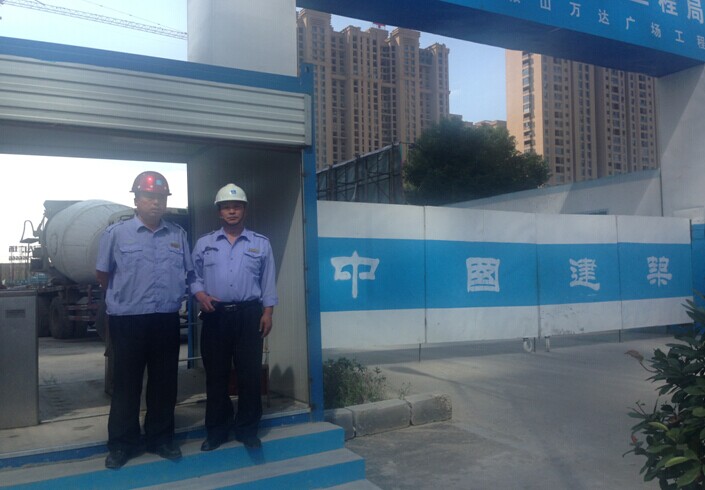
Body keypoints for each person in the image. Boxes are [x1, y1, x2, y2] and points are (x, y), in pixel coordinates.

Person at [96, 171, 193, 469]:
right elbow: (103, 274)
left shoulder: (177, 235)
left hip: (165, 319)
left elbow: (188, 272)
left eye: (161, 197)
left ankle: (160, 439)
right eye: (149, 196)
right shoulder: (116, 234)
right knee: (126, 385)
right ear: (136, 200)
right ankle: (122, 444)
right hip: (128, 320)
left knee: (164, 383)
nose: (155, 203)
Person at [191, 183, 278, 451]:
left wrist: (268, 312)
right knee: (216, 375)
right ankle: (217, 431)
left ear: (244, 210)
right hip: (215, 315)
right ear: (219, 212)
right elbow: (192, 275)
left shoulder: (260, 243)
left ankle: (247, 429)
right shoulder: (204, 243)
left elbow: (268, 281)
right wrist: (200, 295)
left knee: (249, 374)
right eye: (226, 207)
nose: (232, 211)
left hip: (249, 315)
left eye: (236, 207)